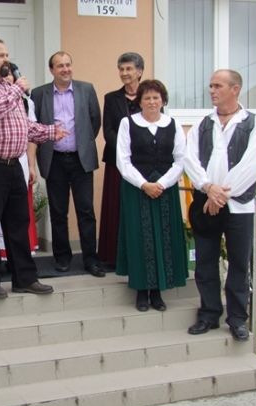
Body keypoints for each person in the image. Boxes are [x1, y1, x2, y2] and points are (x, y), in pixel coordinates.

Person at [0, 35, 68, 299]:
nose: (7, 60)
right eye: (0, 55)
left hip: (12, 165)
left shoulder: (7, 88)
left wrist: (49, 131)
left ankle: (24, 279)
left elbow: (22, 125)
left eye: (7, 55)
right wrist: (16, 90)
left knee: (19, 224)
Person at [184, 69, 256, 341]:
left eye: (217, 86)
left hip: (239, 207)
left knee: (239, 264)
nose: (212, 90)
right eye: (210, 86)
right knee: (205, 262)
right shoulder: (202, 124)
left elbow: (253, 165)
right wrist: (208, 188)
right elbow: (189, 159)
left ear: (235, 89)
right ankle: (209, 314)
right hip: (206, 204)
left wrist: (220, 195)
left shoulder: (253, 123)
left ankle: (237, 319)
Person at [116, 79, 188, 311]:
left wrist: (162, 184)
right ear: (140, 101)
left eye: (156, 97)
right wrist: (144, 184)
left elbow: (181, 160)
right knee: (140, 238)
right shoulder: (127, 123)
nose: (151, 102)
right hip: (136, 189)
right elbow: (123, 160)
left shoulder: (173, 124)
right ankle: (140, 291)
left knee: (163, 237)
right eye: (146, 98)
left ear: (163, 100)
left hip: (165, 190)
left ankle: (157, 292)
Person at [32, 52, 104, 277]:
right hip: (54, 160)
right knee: (58, 212)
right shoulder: (39, 94)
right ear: (51, 70)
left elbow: (95, 121)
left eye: (68, 65)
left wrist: (81, 144)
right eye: (60, 66)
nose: (65, 69)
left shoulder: (86, 89)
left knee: (86, 211)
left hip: (81, 160)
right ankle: (62, 258)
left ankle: (90, 259)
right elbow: (35, 126)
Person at [98, 52, 144, 265]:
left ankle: (139, 253)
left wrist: (139, 150)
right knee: (117, 206)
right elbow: (108, 130)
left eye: (129, 69)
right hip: (117, 161)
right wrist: (126, 151)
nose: (124, 73)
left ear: (139, 71)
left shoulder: (150, 96)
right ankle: (114, 256)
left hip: (143, 162)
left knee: (139, 207)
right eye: (121, 69)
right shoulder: (111, 98)